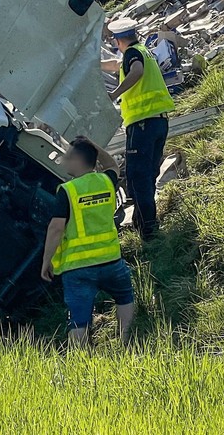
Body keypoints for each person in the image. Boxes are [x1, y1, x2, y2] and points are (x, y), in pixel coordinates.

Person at [41, 137, 135, 346]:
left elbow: (56, 228)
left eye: (67, 157)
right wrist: (93, 144)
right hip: (111, 261)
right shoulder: (106, 180)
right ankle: (126, 343)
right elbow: (111, 164)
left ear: (76, 160)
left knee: (79, 320)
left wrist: (47, 262)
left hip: (78, 268)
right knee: (125, 297)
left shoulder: (68, 190)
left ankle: (80, 361)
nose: (64, 161)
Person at [101, 19, 175, 239]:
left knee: (137, 178)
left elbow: (136, 70)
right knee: (148, 174)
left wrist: (114, 95)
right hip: (158, 122)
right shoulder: (144, 51)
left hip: (142, 124)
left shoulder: (133, 55)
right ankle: (142, 222)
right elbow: (117, 64)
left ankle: (149, 231)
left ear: (119, 40)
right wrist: (94, 63)